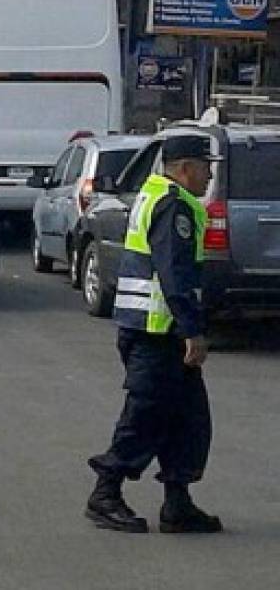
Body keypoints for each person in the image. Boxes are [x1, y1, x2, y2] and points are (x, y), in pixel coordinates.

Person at [86, 135, 224, 534]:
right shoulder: (173, 205)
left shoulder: (157, 195)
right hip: (156, 333)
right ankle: (105, 493)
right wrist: (192, 330)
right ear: (183, 168)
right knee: (144, 417)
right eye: (205, 166)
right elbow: (174, 273)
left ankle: (177, 503)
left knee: (188, 420)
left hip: (157, 331)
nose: (209, 174)